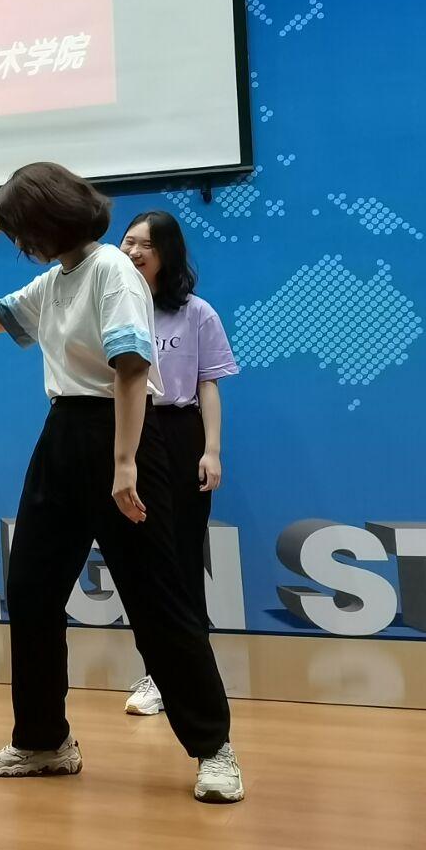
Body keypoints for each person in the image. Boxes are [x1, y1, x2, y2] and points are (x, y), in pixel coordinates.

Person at [0, 164, 243, 804]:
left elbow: (131, 367)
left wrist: (123, 465)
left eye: (21, 231)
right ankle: (44, 741)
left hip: (120, 433)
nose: (19, 243)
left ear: (48, 219)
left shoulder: (110, 269)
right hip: (62, 434)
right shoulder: (56, 279)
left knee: (157, 598)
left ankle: (214, 747)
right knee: (31, 590)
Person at [117, 210, 238, 717]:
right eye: (127, 242)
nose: (133, 252)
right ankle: (158, 671)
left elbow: (207, 384)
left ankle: (187, 677)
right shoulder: (116, 308)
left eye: (145, 245)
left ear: (167, 253)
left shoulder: (196, 313)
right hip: (131, 432)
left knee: (184, 557)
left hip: (179, 431)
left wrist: (211, 450)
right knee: (142, 561)